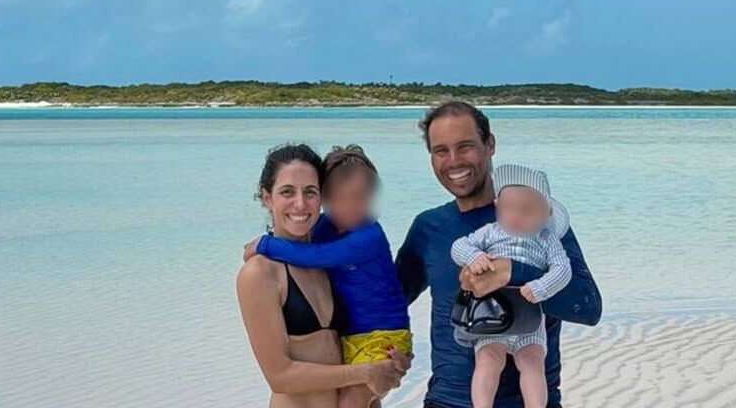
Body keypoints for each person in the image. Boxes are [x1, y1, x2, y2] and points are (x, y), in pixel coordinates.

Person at [395, 102, 602, 408]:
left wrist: (512, 272)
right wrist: (389, 352)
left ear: (489, 145)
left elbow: (588, 307)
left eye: (465, 146)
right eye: (441, 151)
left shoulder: (537, 220)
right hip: (445, 400)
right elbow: (388, 303)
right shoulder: (428, 227)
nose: (453, 161)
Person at [237, 144, 411, 408]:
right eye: (287, 192)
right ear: (267, 198)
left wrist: (391, 365)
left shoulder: (333, 259)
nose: (300, 203)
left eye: (310, 192)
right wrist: (367, 372)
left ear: (323, 197)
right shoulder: (260, 272)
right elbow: (280, 377)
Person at [451, 163, 571, 408]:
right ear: (497, 206)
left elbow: (563, 269)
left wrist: (541, 287)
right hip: (492, 311)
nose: (516, 216)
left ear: (546, 213)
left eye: (527, 210)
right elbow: (458, 246)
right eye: (508, 209)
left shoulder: (546, 239)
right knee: (488, 359)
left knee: (532, 361)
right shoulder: (490, 232)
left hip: (529, 314)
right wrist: (474, 257)